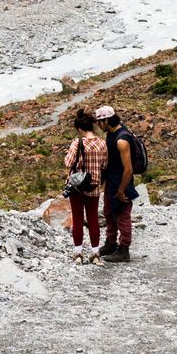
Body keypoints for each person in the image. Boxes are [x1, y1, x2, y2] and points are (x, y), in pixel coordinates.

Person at [62, 109, 106, 258]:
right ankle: (95, 252)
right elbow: (105, 165)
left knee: (78, 219)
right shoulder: (102, 143)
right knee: (93, 219)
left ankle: (78, 252)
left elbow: (68, 163)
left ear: (80, 129)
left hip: (77, 187)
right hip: (94, 186)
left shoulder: (77, 143)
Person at [98, 105, 137, 262]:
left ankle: (124, 249)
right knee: (109, 212)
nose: (98, 125)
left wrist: (121, 190)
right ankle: (111, 243)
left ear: (107, 121)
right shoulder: (112, 133)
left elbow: (128, 169)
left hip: (122, 183)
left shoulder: (122, 140)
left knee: (123, 215)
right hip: (112, 181)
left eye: (100, 122)